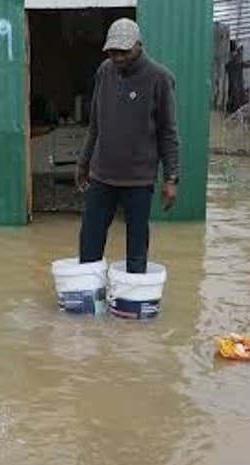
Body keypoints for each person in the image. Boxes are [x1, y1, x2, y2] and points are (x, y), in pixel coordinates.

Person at [75, 18, 180, 274]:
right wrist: (83, 163)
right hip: (102, 176)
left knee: (137, 249)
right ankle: (90, 292)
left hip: (138, 180)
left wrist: (171, 179)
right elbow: (95, 124)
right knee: (89, 243)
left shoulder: (159, 78)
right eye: (113, 52)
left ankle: (134, 292)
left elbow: (168, 133)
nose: (118, 57)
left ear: (139, 46)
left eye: (124, 51)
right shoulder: (104, 71)